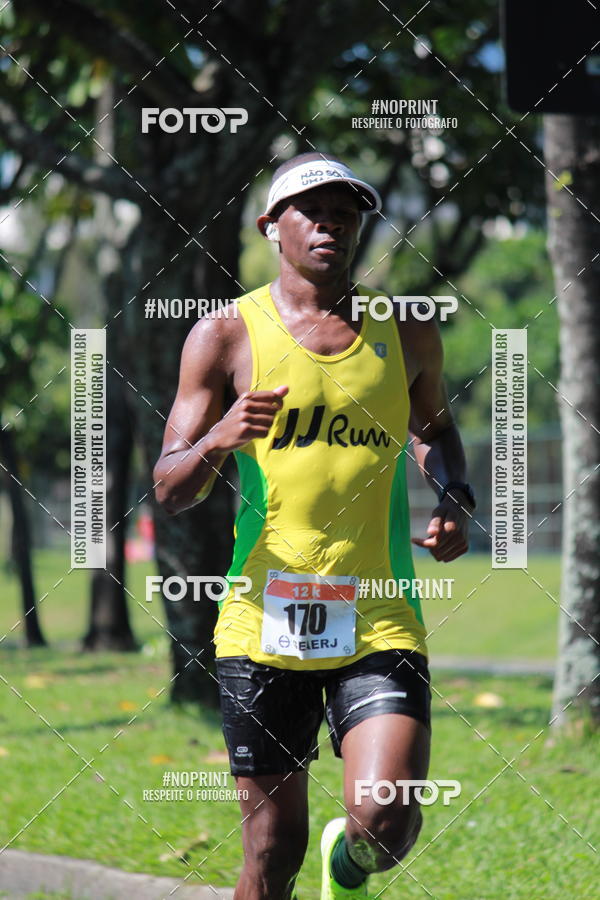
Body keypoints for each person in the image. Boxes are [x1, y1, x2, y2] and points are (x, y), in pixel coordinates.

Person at [154, 152, 475, 900]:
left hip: (377, 612)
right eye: (311, 209)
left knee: (385, 821)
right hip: (261, 620)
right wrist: (220, 437)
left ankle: (351, 862)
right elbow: (171, 488)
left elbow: (434, 431)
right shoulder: (225, 335)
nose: (330, 221)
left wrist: (452, 497)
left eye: (346, 210)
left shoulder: (406, 331)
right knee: (271, 853)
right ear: (272, 226)